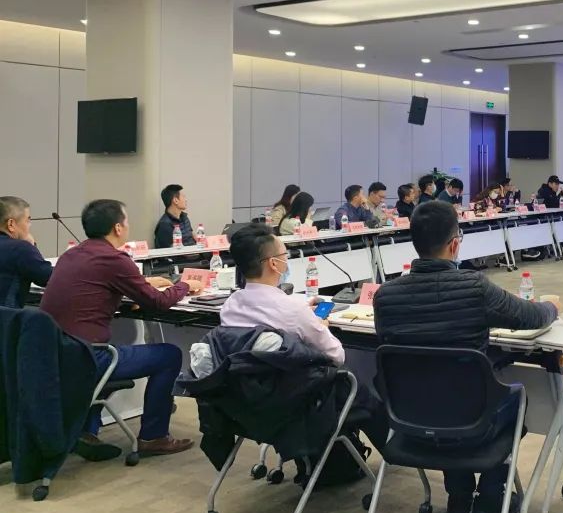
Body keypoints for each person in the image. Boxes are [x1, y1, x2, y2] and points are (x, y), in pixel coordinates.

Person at [373, 200, 560, 513]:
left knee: (438, 389)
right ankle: (490, 498)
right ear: (454, 244)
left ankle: (458, 497)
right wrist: (552, 306)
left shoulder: (384, 296)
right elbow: (530, 317)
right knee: (513, 396)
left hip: (411, 419)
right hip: (473, 420)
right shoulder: (475, 287)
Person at [40, 199, 204, 459]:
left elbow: (95, 289)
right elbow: (158, 303)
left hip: (56, 353)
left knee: (106, 352)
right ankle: (153, 436)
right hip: (89, 357)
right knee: (169, 355)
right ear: (118, 228)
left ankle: (86, 431)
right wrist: (184, 285)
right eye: (126, 221)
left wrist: (138, 287)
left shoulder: (71, 255)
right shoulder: (115, 259)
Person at [220, 224, 344, 364]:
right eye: (285, 255)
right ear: (273, 263)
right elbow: (336, 356)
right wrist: (319, 325)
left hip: (239, 376)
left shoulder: (230, 306)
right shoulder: (294, 310)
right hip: (292, 377)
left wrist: (305, 314)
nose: (286, 260)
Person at [0, 196, 53, 308]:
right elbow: (49, 278)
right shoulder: (20, 249)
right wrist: (31, 245)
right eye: (28, 220)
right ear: (11, 224)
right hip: (7, 317)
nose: (30, 225)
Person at [153, 184, 196, 249]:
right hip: (185, 255)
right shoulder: (165, 225)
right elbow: (169, 252)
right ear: (175, 200)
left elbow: (192, 235)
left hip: (195, 251)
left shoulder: (184, 217)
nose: (186, 200)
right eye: (183, 197)